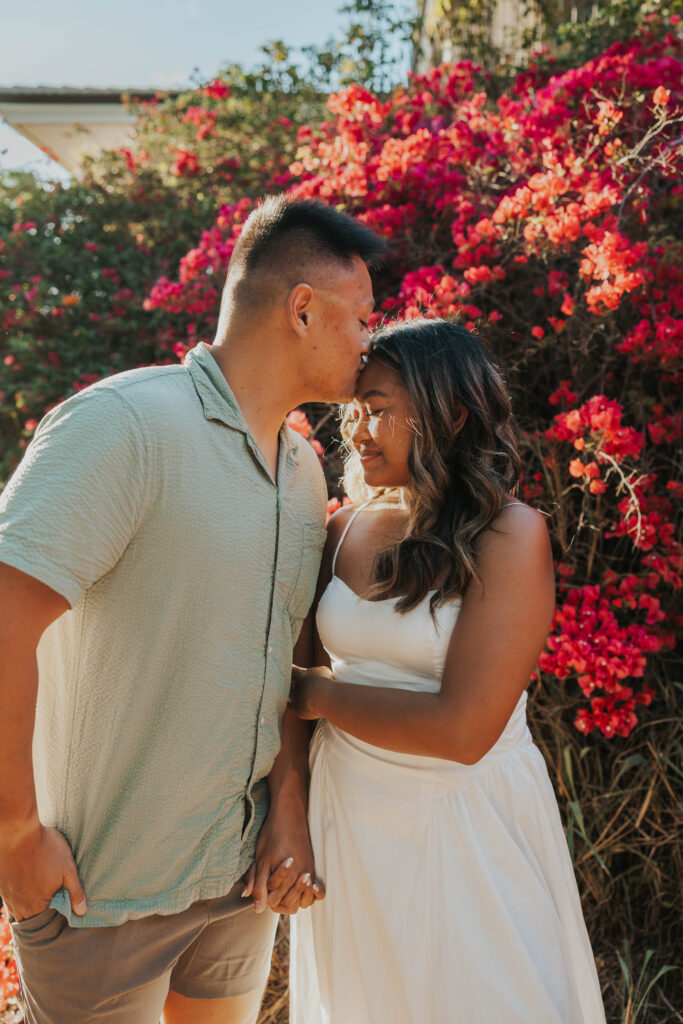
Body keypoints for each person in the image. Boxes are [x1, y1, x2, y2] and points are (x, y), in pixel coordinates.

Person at [0, 195, 385, 1024]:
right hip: (101, 889)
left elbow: (281, 662)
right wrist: (14, 836)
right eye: (362, 318)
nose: (370, 341)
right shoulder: (123, 426)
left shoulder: (303, 470)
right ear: (302, 308)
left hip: (237, 884)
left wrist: (286, 803)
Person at [289, 317, 607, 1024]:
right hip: (349, 816)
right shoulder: (339, 529)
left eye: (377, 411)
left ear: (451, 414)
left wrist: (314, 693)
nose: (357, 432)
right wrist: (288, 816)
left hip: (464, 820)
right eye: (352, 412)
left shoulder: (507, 533)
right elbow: (290, 693)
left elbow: (463, 730)